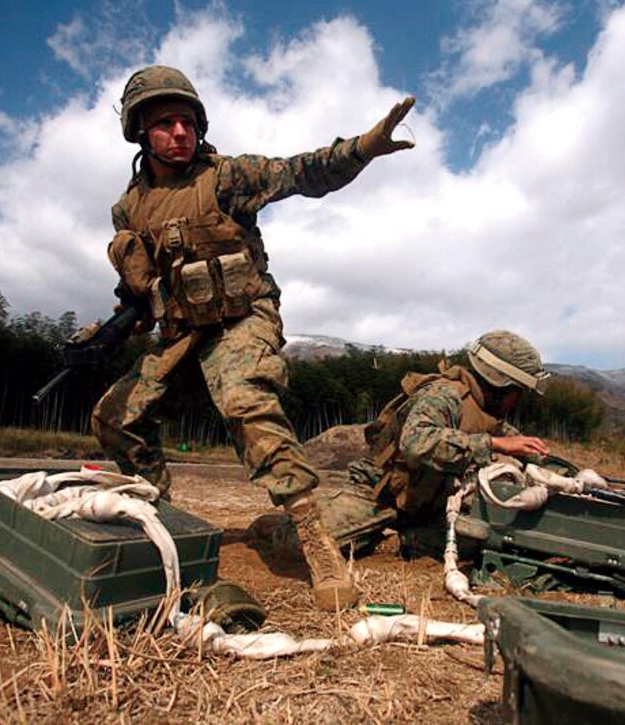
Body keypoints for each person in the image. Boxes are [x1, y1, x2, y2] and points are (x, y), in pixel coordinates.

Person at [91, 65, 415, 611]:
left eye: (187, 121)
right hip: (183, 332)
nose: (179, 132)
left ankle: (317, 544)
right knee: (114, 416)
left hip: (244, 318)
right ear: (140, 132)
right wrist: (109, 328)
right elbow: (145, 292)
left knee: (245, 399)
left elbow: (302, 173)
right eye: (165, 123)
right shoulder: (130, 208)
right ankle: (158, 521)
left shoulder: (226, 177)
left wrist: (363, 147)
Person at [250, 330, 553, 558]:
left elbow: (527, 449)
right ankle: (276, 526)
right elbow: (416, 442)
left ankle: (403, 540)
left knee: (489, 540)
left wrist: (566, 472)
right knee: (304, 544)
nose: (519, 401)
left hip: (427, 508)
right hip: (378, 494)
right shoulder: (444, 395)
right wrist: (496, 445)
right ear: (501, 384)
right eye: (519, 391)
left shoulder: (490, 415)